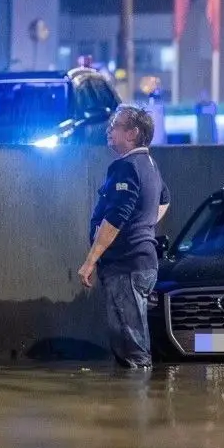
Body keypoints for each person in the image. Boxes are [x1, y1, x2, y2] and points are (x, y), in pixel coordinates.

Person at [78, 104, 171, 369]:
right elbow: (164, 199)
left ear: (132, 133)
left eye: (114, 126)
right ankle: (133, 403)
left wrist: (90, 260)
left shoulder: (128, 167)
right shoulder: (149, 164)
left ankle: (137, 405)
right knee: (130, 341)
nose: (108, 130)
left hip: (127, 266)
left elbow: (116, 217)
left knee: (132, 348)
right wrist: (144, 226)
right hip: (141, 263)